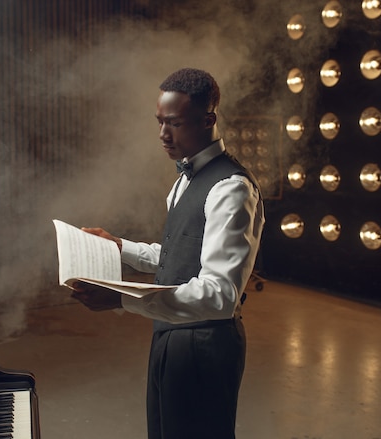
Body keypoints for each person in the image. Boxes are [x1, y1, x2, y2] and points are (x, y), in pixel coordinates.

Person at [71, 67, 265, 439]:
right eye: (159, 122)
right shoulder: (182, 181)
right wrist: (119, 246)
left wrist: (121, 299)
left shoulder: (232, 188)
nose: (163, 135)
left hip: (205, 347)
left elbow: (220, 296)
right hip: (169, 336)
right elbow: (180, 253)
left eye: (174, 123)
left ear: (208, 120)